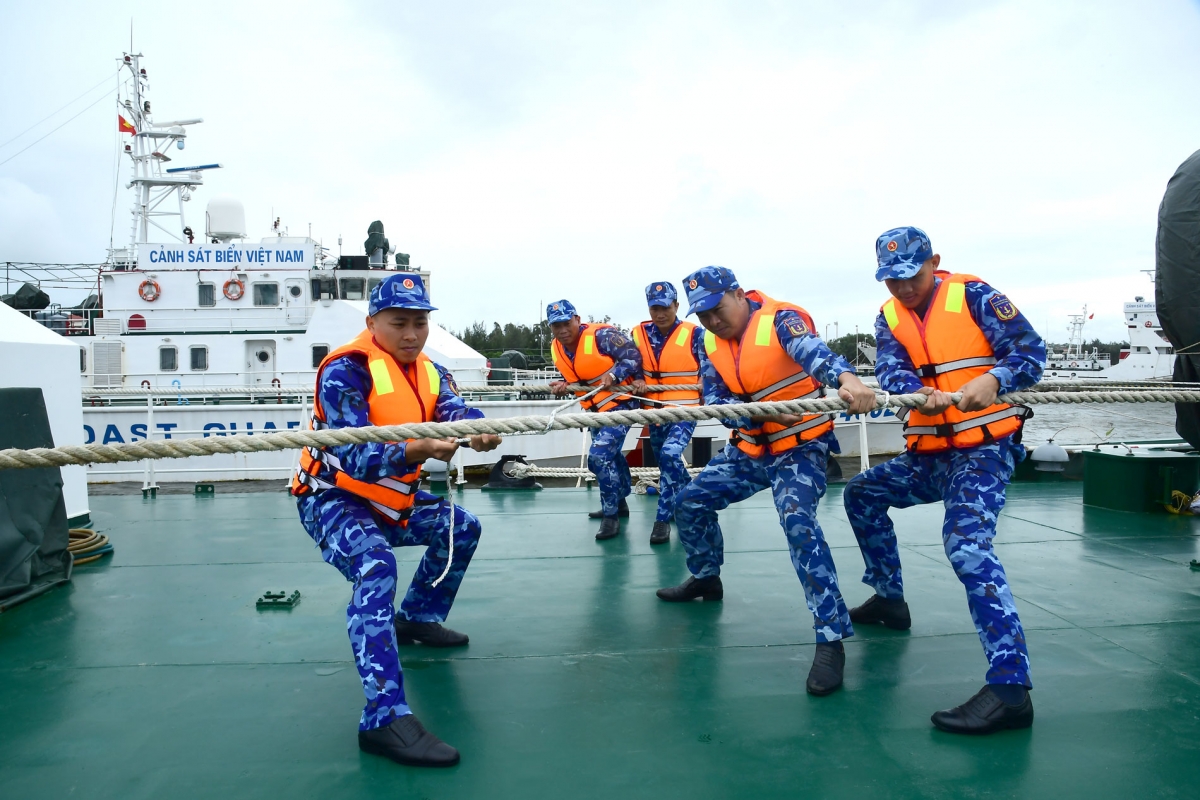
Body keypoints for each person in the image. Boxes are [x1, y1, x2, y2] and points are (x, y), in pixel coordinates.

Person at [291, 273, 501, 767]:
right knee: (376, 566)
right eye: (399, 323)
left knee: (460, 526)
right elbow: (353, 456)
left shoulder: (432, 371)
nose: (411, 334)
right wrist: (419, 447)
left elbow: (456, 408)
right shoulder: (345, 370)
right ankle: (383, 716)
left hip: (393, 502)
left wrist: (478, 430)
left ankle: (419, 619)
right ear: (373, 323)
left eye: (420, 323)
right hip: (333, 499)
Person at [842, 226, 1045, 734]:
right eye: (892, 281)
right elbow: (891, 369)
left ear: (934, 261)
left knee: (967, 547)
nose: (903, 289)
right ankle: (890, 599)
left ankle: (1010, 688)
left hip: (983, 453)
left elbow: (1030, 351)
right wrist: (916, 390)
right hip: (930, 456)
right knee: (862, 493)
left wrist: (993, 379)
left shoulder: (975, 296)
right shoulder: (888, 315)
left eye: (911, 276)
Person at [657, 267, 878, 696]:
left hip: (800, 448)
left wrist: (849, 380)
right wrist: (752, 414)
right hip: (750, 450)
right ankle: (706, 576)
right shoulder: (706, 341)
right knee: (689, 503)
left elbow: (818, 355)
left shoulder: (780, 321)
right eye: (702, 315)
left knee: (798, 522)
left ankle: (831, 638)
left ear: (738, 295)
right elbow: (715, 397)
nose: (713, 321)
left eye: (718, 309)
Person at [547, 300, 643, 541]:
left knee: (599, 457)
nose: (562, 330)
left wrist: (615, 374)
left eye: (566, 323)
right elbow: (578, 372)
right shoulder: (556, 347)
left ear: (577, 320)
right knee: (612, 456)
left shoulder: (604, 336)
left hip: (620, 405)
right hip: (594, 410)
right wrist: (565, 384)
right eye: (556, 326)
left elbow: (633, 356)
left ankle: (611, 517)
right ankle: (619, 503)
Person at [629, 281, 706, 545]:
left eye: (665, 307)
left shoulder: (696, 334)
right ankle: (691, 496)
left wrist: (706, 381)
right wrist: (636, 377)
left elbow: (711, 365)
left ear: (676, 305)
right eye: (654, 308)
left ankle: (662, 520)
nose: (660, 313)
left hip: (684, 410)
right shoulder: (638, 334)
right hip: (653, 412)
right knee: (666, 463)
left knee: (671, 455)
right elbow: (631, 362)